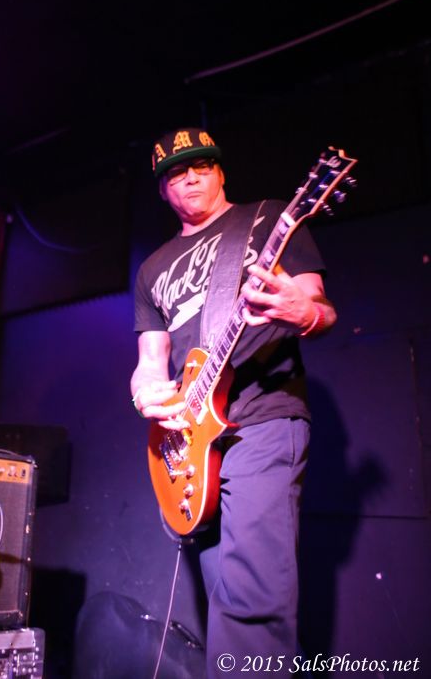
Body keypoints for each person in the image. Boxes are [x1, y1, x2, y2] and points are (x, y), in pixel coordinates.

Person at [130, 127, 336, 678]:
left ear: (220, 171)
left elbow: (317, 305)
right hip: (192, 440)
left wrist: (304, 312)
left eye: (201, 165)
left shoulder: (269, 219)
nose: (190, 178)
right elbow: (151, 360)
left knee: (253, 596)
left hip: (261, 416)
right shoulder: (152, 269)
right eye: (176, 173)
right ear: (163, 190)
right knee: (224, 591)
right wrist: (145, 391)